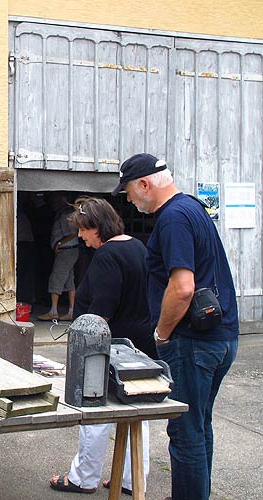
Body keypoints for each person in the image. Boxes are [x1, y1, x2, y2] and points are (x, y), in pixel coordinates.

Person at [112, 153, 239, 500]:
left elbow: (182, 287)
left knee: (184, 431)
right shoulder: (194, 209)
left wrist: (162, 334)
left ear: (144, 184)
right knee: (199, 425)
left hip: (193, 341)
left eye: (128, 192)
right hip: (221, 337)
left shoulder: (173, 219)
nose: (129, 199)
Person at [49, 196, 157, 495]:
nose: (81, 236)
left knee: (95, 413)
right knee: (137, 412)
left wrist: (87, 354)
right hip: (139, 344)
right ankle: (131, 479)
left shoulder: (108, 256)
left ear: (99, 226)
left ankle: (83, 478)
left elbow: (101, 315)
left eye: (84, 230)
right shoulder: (136, 247)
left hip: (109, 348)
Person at [37, 192, 78, 321]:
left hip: (66, 250)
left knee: (56, 278)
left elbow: (72, 233)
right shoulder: (65, 213)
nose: (53, 203)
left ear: (63, 200)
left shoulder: (65, 214)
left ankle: (53, 311)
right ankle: (71, 311)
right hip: (71, 250)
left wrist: (59, 243)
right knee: (69, 280)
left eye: (56, 200)